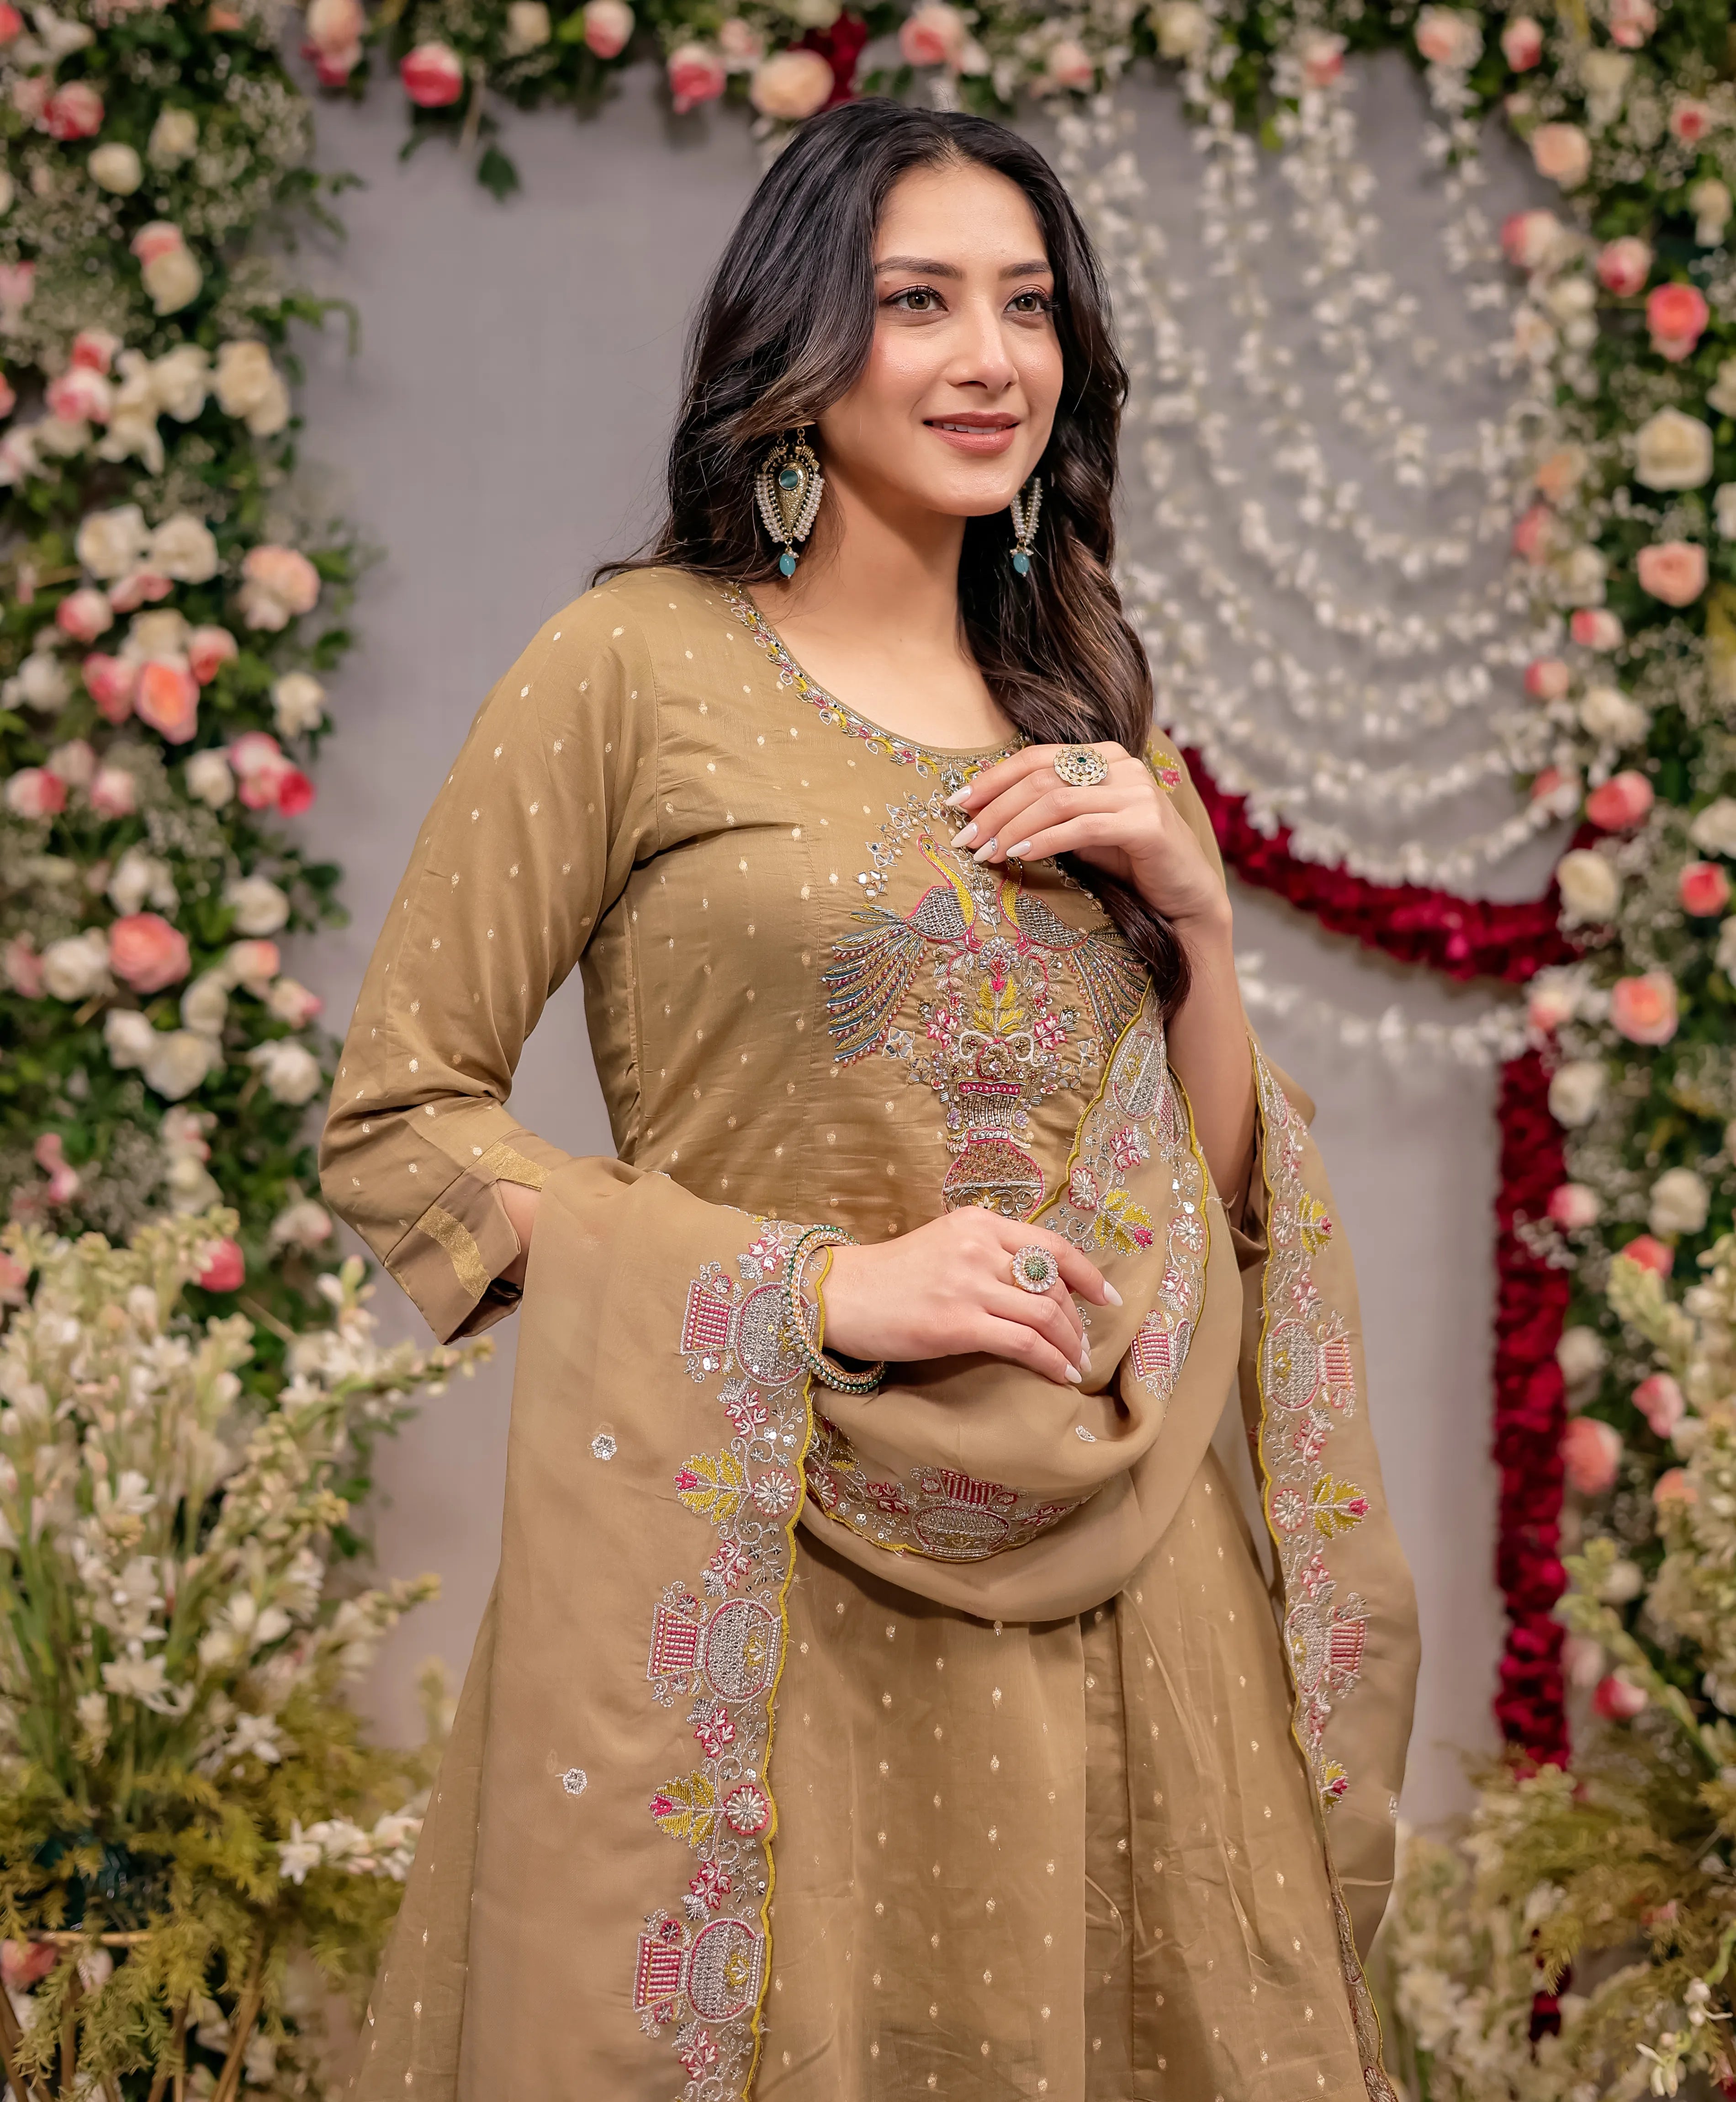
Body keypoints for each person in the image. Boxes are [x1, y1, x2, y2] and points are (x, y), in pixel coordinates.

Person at [321, 97, 1417, 2102]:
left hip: (1124, 1595)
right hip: (765, 1573)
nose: (986, 356)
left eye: (1025, 304)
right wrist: (816, 1290)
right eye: (916, 299)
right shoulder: (631, 665)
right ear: (798, 343)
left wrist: (1201, 927)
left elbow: (1222, 1200)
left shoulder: (1093, 721)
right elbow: (399, 1116)